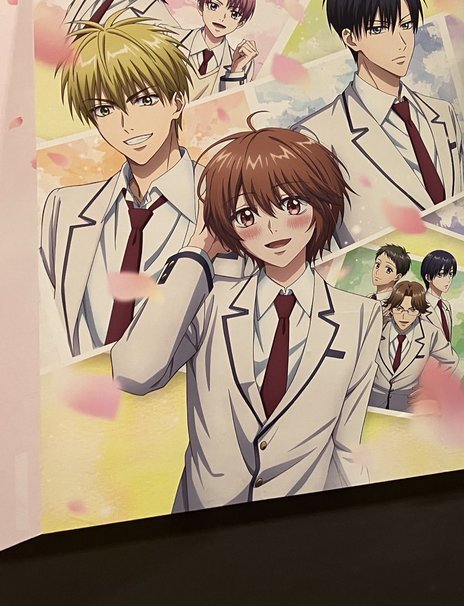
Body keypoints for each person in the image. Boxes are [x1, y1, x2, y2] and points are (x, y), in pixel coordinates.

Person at [110, 127, 380, 510]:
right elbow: (133, 372)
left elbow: (346, 445)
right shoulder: (209, 303)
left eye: (291, 205)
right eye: (247, 214)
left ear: (321, 202)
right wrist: (199, 250)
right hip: (204, 524)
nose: (272, 228)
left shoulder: (361, 316)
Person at [41, 15, 197, 357]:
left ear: (176, 102)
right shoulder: (64, 209)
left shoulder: (226, 202)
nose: (127, 124)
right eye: (105, 108)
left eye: (145, 100)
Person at [292, 0, 464, 245]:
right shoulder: (317, 136)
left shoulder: (442, 113)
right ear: (351, 38)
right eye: (380, 28)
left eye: (406, 25)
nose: (401, 42)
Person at [372, 280, 458, 411]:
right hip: (373, 398)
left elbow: (451, 360)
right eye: (399, 309)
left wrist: (429, 388)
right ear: (391, 309)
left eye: (411, 310)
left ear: (419, 311)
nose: (404, 316)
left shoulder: (430, 332)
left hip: (407, 402)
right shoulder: (378, 326)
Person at [181, 0, 258, 99]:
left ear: (241, 22)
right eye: (214, 6)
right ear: (200, 6)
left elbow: (232, 106)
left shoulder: (244, 64)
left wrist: (235, 71)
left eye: (234, 14)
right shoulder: (172, 40)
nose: (222, 17)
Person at [421, 249, 457, 341]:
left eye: (450, 274)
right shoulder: (419, 304)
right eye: (441, 274)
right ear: (428, 277)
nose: (448, 279)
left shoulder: (446, 306)